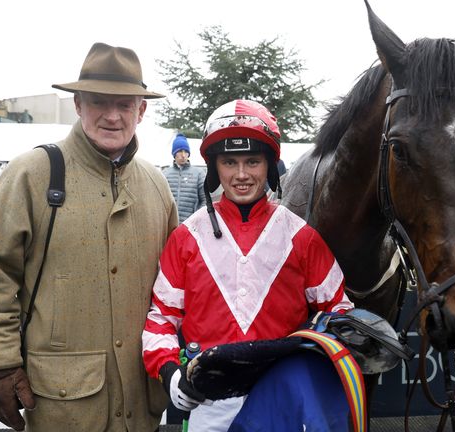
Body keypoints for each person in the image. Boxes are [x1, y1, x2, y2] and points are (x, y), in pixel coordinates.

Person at [0, 42, 178, 432]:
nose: (112, 116)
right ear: (78, 104)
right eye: (98, 102)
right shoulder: (33, 174)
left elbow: (176, 287)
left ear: (141, 111)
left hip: (141, 406)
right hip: (62, 409)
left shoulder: (157, 185)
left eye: (125, 105)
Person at [142, 99, 354, 431]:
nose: (241, 175)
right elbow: (160, 321)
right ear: (214, 169)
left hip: (282, 404)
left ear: (269, 166)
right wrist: (171, 374)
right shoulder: (185, 237)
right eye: (230, 162)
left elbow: (338, 314)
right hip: (207, 408)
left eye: (253, 161)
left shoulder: (303, 238)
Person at [163, 133, 206, 223]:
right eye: (180, 151)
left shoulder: (199, 173)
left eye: (186, 152)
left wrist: (196, 219)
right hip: (168, 226)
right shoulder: (165, 174)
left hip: (191, 227)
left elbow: (205, 200)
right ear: (174, 154)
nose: (183, 155)